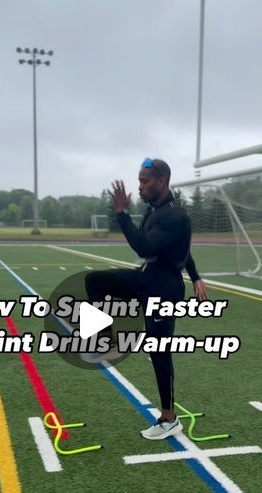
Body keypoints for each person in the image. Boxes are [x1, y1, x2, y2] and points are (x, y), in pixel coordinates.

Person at [84, 157, 207, 440]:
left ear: (161, 181)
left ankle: (169, 417)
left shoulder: (174, 216)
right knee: (95, 281)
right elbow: (177, 250)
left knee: (159, 350)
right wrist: (197, 276)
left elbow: (144, 246)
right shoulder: (156, 212)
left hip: (164, 289)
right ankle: (107, 338)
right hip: (147, 278)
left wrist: (122, 215)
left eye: (144, 181)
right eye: (139, 181)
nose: (139, 186)